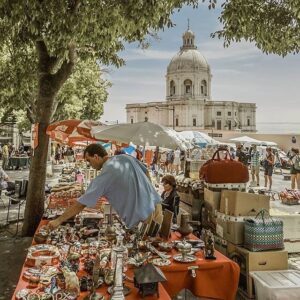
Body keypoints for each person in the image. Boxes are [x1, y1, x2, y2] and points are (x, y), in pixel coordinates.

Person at [47, 144, 163, 231]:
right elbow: (146, 171)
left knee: (147, 250)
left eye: (89, 160)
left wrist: (58, 220)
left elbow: (81, 203)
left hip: (142, 216)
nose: (89, 164)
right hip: (156, 206)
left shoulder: (105, 175)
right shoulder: (125, 158)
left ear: (96, 156)